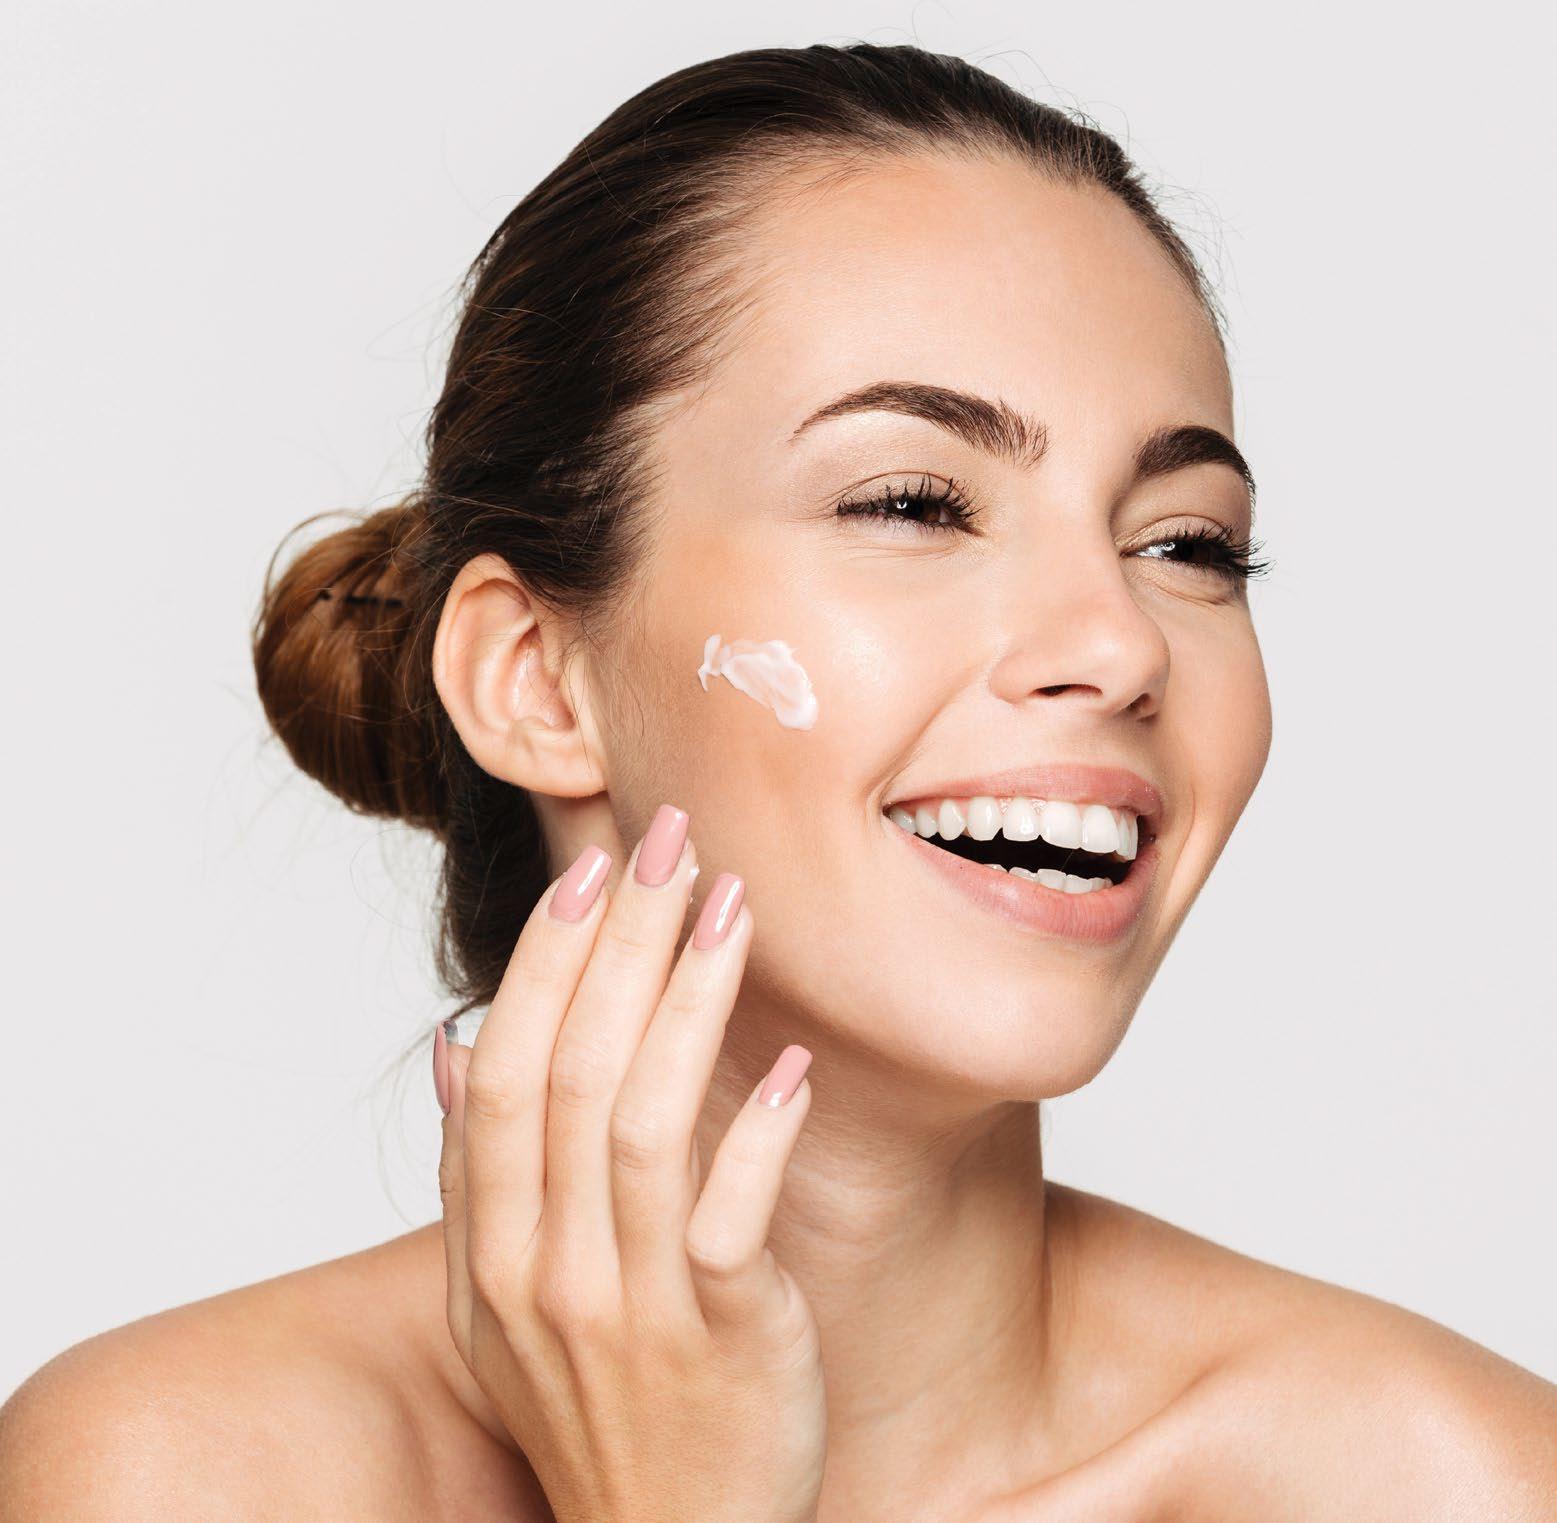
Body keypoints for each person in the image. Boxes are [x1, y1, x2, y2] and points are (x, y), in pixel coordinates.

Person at [3, 41, 1553, 1522]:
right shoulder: (181, 1478)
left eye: (1186, 543)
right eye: (914, 503)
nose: (1118, 642)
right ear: (535, 677)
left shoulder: (1452, 1484)